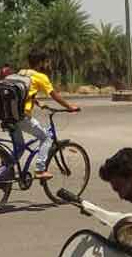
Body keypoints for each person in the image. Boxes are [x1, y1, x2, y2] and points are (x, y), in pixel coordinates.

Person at [11, 51, 80, 180]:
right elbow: (54, 95)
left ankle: (2, 174)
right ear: (40, 62)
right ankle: (40, 169)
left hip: (9, 115)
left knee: (19, 148)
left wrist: (36, 102)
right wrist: (69, 107)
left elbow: (22, 93)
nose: (47, 64)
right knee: (47, 138)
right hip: (22, 116)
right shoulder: (41, 77)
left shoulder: (22, 73)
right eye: (46, 62)